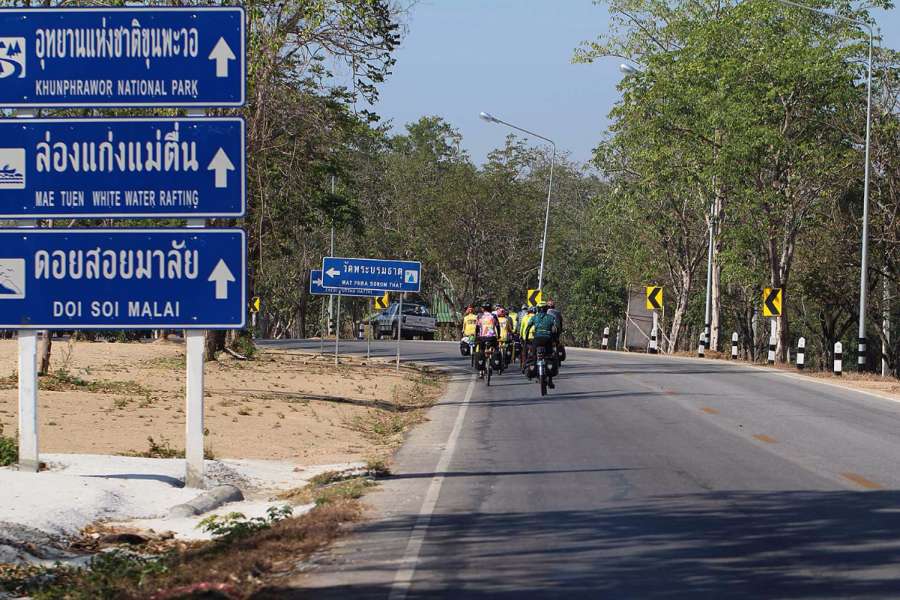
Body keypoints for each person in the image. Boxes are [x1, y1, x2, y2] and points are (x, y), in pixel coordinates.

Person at [524, 303, 559, 388]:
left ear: (538, 309)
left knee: (533, 355)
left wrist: (526, 339)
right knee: (550, 356)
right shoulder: (551, 317)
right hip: (548, 339)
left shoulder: (534, 317)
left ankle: (535, 372)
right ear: (546, 309)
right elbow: (556, 328)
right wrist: (556, 339)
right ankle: (550, 380)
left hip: (537, 339)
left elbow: (528, 328)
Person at [475, 303, 500, 377]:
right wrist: (499, 335)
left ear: (483, 309)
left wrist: (477, 335)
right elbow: (498, 327)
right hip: (492, 337)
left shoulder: (480, 316)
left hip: (482, 337)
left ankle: (481, 371)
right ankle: (493, 363)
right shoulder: (494, 316)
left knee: (481, 351)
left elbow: (477, 327)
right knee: (495, 349)